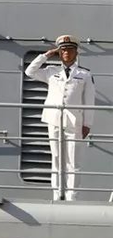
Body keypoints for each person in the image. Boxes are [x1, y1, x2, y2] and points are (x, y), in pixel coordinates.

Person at [24, 34, 95, 201]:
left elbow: (89, 101)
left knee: (73, 162)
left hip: (74, 122)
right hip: (54, 119)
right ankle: (56, 194)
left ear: (76, 52)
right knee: (56, 158)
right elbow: (29, 71)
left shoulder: (84, 74)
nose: (66, 53)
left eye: (70, 50)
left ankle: (72, 196)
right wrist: (46, 55)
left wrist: (87, 124)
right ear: (59, 53)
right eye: (63, 50)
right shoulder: (51, 71)